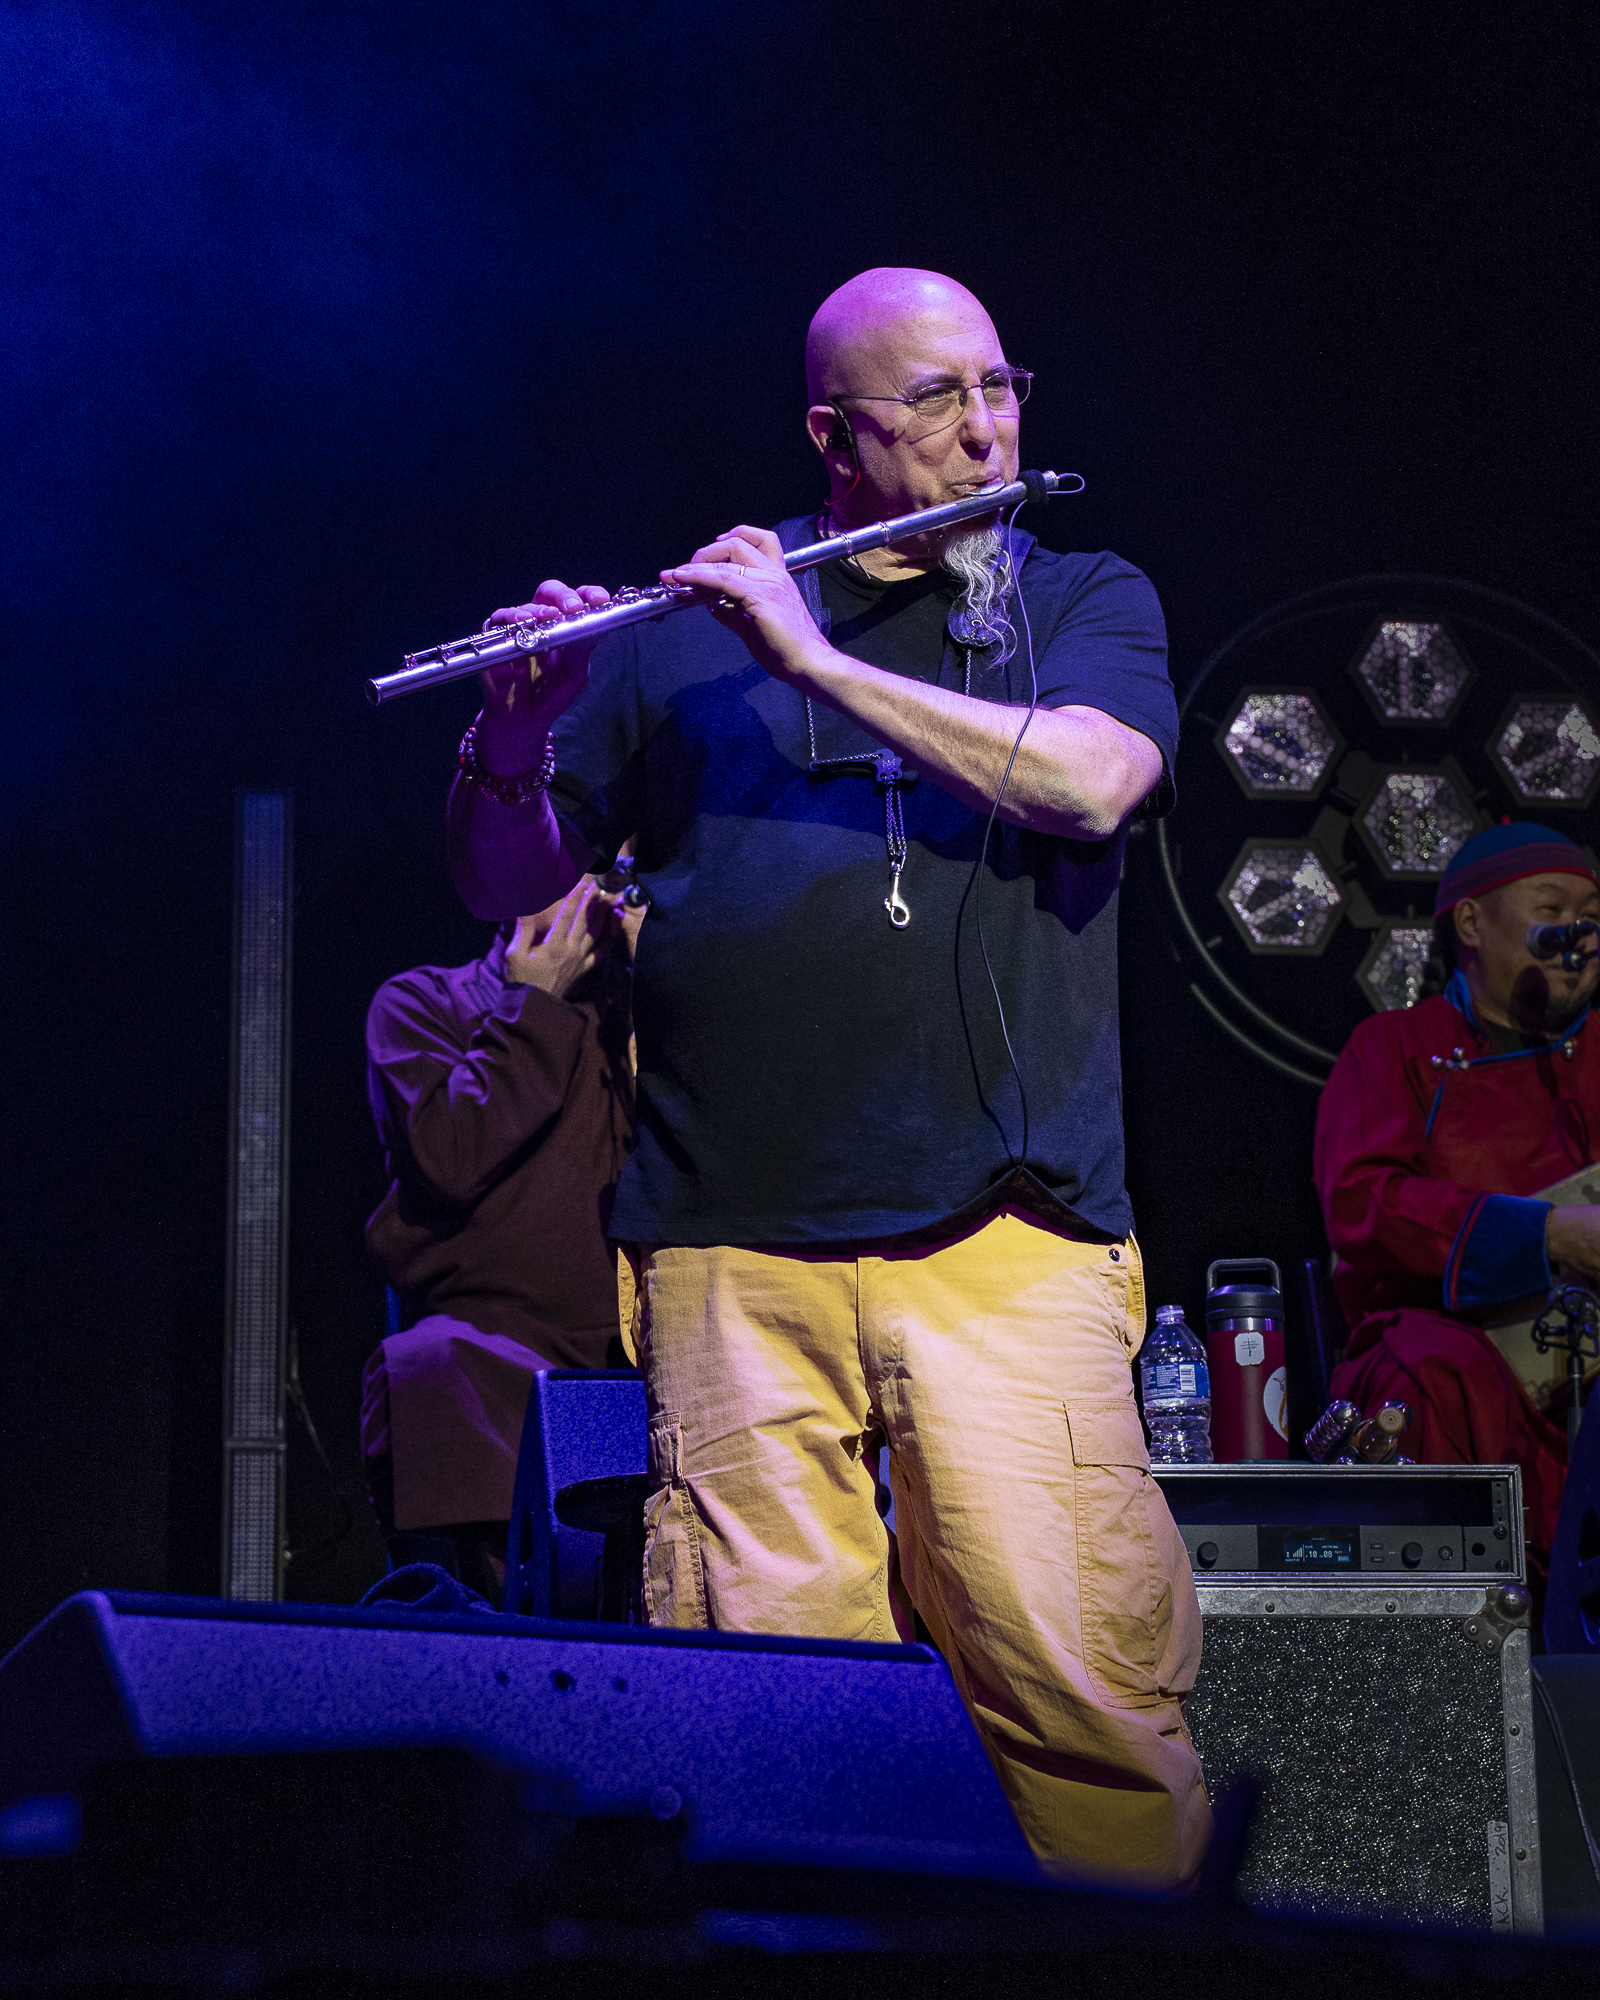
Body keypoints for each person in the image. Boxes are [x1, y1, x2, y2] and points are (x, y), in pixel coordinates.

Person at [443, 268, 1206, 1885]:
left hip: (1005, 1244)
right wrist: (514, 734)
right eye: (936, 402)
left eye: (1001, 387)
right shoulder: (682, 642)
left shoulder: (1079, 598)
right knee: (764, 1743)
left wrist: (812, 661)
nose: (985, 426)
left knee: (1086, 1713)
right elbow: (506, 879)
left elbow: (1089, 785)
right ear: (830, 434)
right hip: (731, 1255)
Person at [1318, 822, 1600, 1576]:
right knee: (1433, 1374)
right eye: (1554, 907)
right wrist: (1547, 1236)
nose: (1579, 931)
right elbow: (1362, 1201)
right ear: (1473, 922)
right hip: (1448, 1341)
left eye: (1591, 916)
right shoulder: (1395, 1048)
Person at [361, 866, 643, 1601]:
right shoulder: (426, 1003)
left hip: (641, 1355)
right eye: (560, 868)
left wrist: (665, 992)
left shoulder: (642, 1018)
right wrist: (531, 1007)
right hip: (487, 1353)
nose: (591, 894)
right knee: (432, 1365)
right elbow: (447, 1158)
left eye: (606, 871)